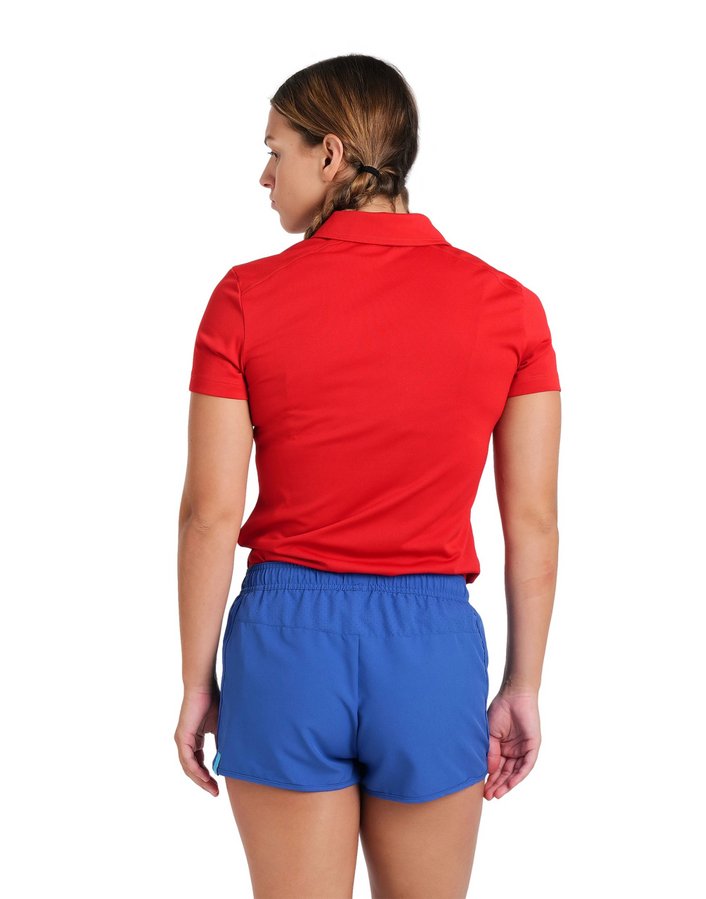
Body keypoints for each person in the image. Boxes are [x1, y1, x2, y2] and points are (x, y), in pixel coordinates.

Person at [175, 53, 561, 898]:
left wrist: (197, 680)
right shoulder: (510, 308)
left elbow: (209, 513)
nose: (265, 175)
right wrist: (523, 683)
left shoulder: (243, 299)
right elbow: (531, 519)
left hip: (286, 644)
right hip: (431, 648)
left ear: (332, 154)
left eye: (275, 150)